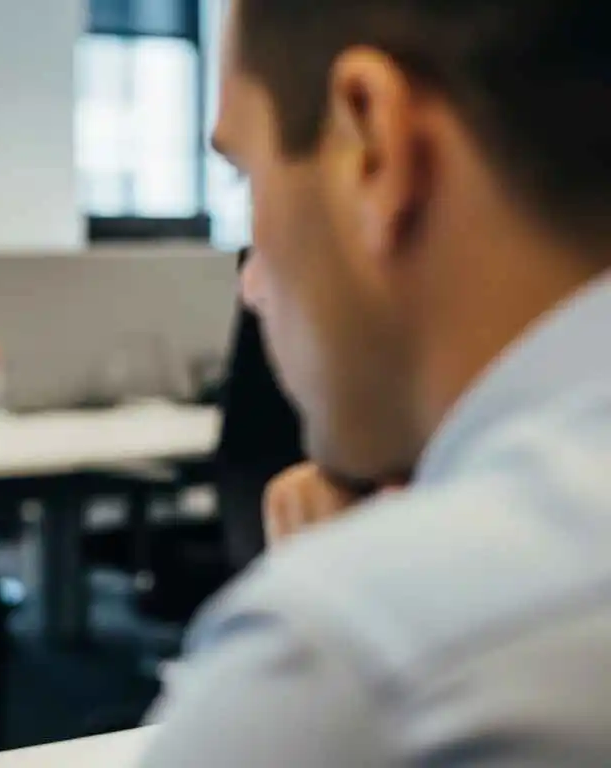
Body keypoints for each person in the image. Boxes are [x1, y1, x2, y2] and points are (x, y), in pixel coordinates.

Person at [144, 0, 611, 763]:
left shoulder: (350, 667)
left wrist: (357, 587)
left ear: (372, 145)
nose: (252, 287)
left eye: (247, 179)